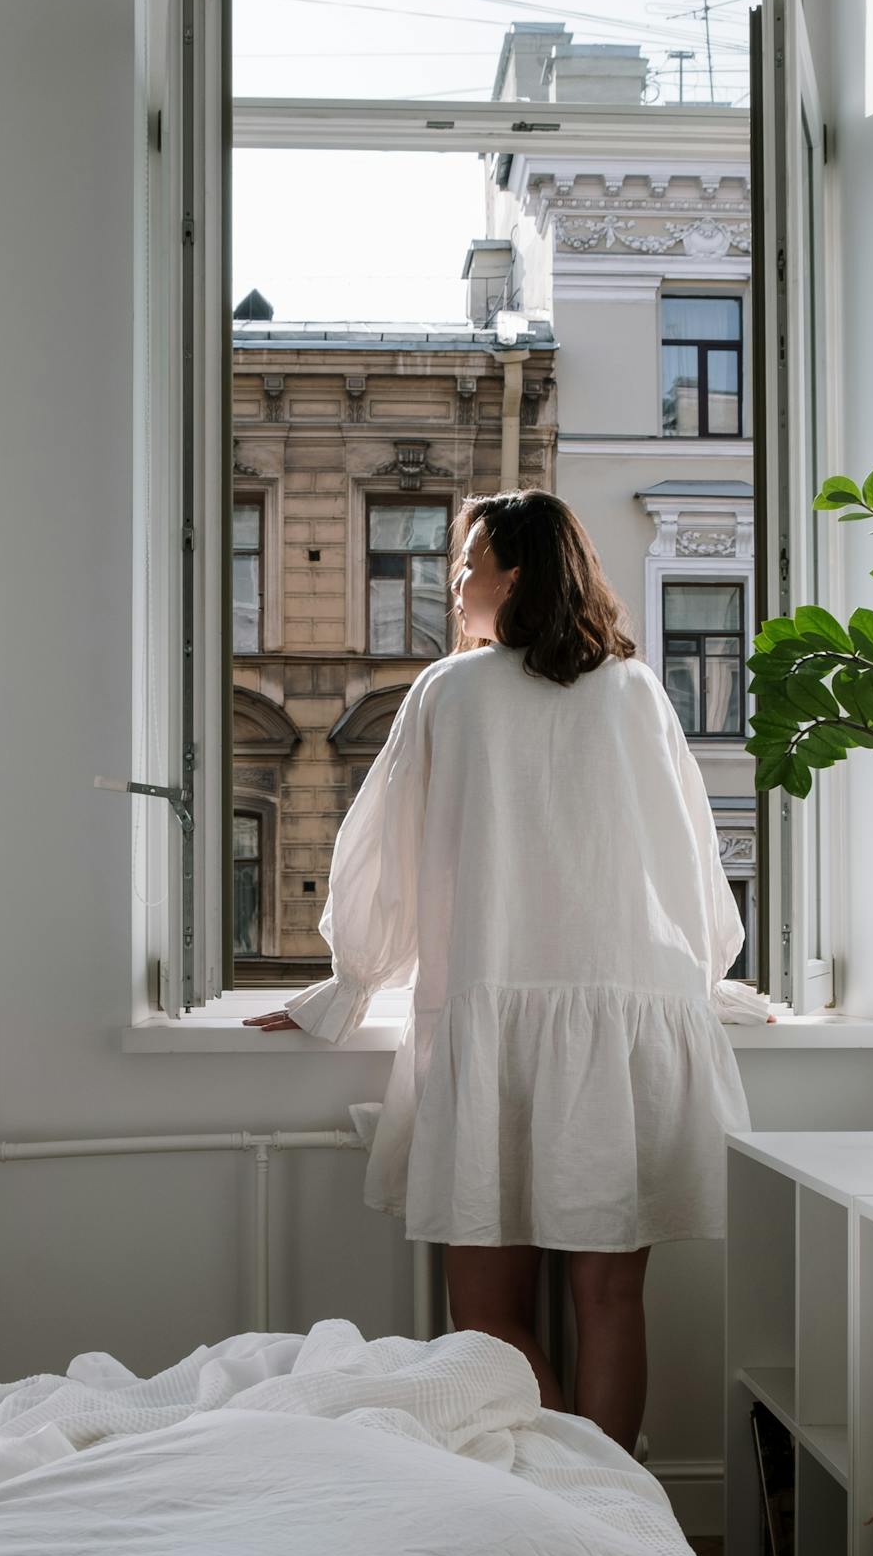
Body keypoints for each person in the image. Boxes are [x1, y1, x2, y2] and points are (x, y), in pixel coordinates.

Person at [246, 488, 767, 1451]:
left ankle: (561, 1506)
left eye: (467, 562)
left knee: (483, 1313)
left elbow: (382, 851)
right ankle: (613, 1515)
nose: (453, 583)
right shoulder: (636, 689)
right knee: (611, 1299)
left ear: (513, 573)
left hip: (494, 1020)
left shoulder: (452, 689)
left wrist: (351, 982)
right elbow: (690, 851)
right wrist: (703, 980)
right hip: (621, 1023)